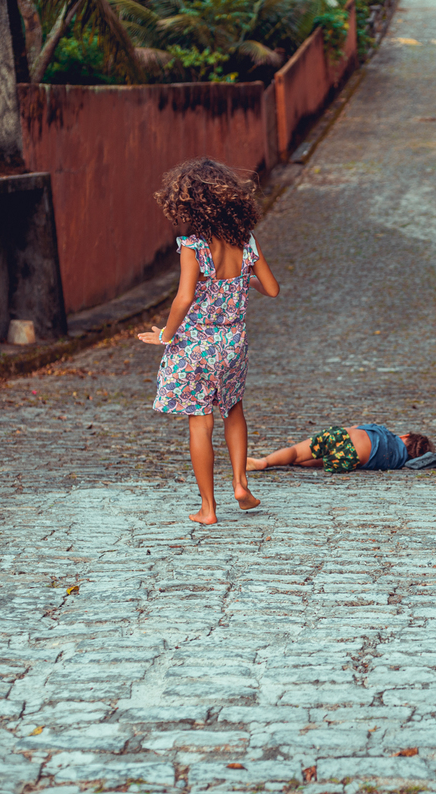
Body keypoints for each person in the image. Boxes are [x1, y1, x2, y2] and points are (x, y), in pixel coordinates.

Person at [137, 158, 279, 524]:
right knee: (234, 411)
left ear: (187, 204)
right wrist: (240, 281)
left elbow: (184, 298)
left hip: (197, 346)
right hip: (233, 343)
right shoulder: (246, 241)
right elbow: (273, 289)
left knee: (200, 422)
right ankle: (241, 484)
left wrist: (166, 335)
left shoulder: (192, 246)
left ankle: (208, 509)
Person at [248, 425, 433, 474]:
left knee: (296, 452)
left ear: (405, 437)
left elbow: (360, 427)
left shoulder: (387, 434)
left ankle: (265, 462)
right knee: (304, 462)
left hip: (344, 437)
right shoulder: (397, 462)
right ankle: (294, 461)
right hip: (350, 459)